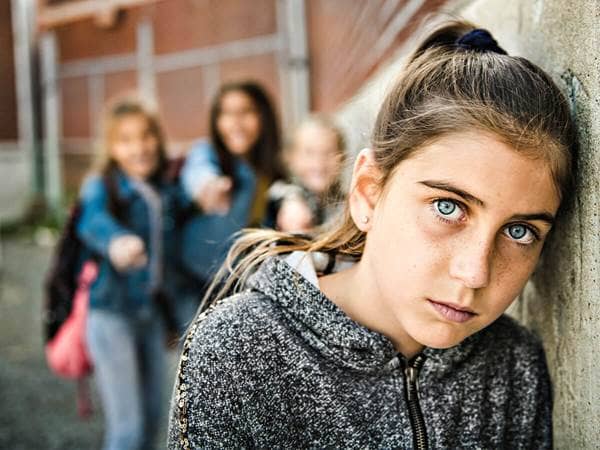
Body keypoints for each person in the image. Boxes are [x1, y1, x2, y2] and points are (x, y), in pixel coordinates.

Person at [168, 21, 576, 449]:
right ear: (367, 194)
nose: (475, 273)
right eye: (448, 207)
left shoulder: (515, 365)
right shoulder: (239, 351)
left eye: (519, 230)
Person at [77, 97, 186, 450]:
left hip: (150, 316)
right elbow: (91, 219)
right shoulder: (102, 185)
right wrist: (117, 241)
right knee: (127, 429)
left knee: (155, 420)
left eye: (146, 136)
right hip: (111, 315)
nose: (139, 147)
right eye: (125, 140)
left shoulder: (165, 189)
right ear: (110, 147)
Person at [176, 81, 283, 329]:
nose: (235, 122)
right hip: (193, 283)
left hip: (238, 282)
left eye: (245, 112)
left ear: (263, 117)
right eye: (226, 113)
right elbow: (198, 171)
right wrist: (208, 187)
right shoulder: (209, 154)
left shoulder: (268, 170)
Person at [265, 114, 346, 232]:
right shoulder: (286, 194)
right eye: (309, 153)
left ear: (343, 158)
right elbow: (278, 194)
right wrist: (292, 201)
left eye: (328, 152)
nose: (319, 162)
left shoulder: (346, 203)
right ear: (290, 158)